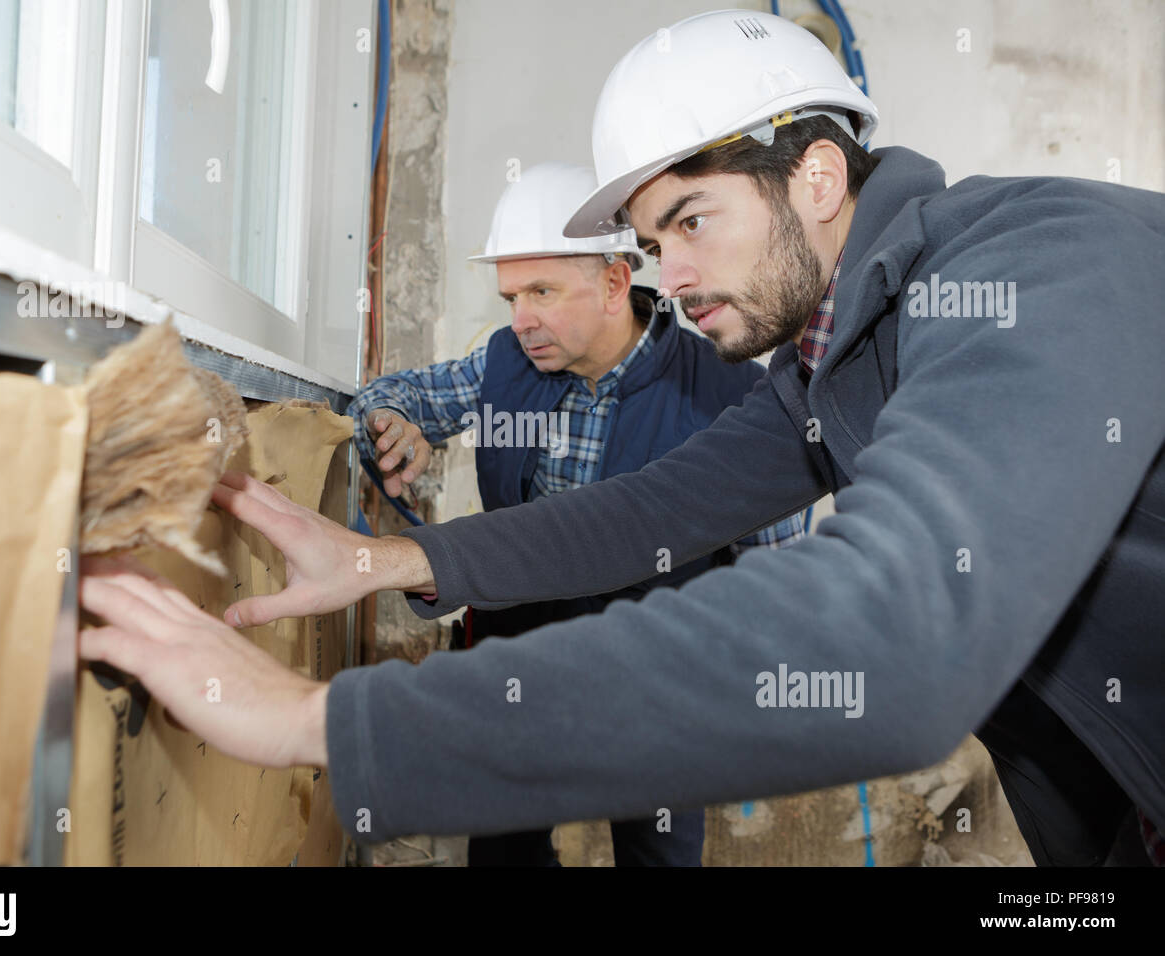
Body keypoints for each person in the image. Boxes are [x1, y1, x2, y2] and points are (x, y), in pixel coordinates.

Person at [79, 9, 1165, 866]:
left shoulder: (1037, 265)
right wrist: (388, 559)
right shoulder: (829, 363)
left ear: (818, 178)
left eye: (692, 220)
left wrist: (321, 719)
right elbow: (651, 510)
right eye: (653, 243)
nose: (670, 276)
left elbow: (891, 634)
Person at [343, 160, 804, 866]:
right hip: (519, 663)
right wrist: (391, 422)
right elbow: (390, 396)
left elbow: (776, 578)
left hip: (656, 684)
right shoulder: (504, 364)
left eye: (542, 292)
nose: (521, 320)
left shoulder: (730, 393)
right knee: (504, 851)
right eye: (510, 297)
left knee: (657, 855)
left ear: (615, 282)